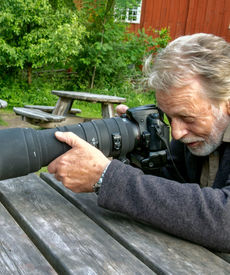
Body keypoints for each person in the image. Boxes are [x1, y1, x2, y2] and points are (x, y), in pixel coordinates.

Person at [47, 33, 230, 252]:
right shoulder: (194, 134)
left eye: (188, 118)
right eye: (170, 118)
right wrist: (136, 145)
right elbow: (171, 185)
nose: (178, 133)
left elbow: (223, 220)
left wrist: (106, 177)